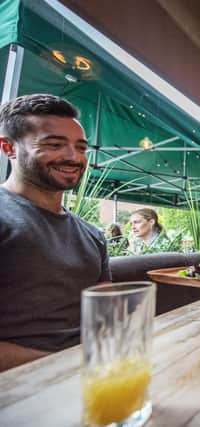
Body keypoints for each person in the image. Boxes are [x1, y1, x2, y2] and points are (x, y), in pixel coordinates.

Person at [0, 94, 111, 372]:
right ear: (8, 148)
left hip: (97, 378)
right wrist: (68, 366)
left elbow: (106, 319)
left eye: (81, 147)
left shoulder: (93, 235)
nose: (73, 157)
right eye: (54, 144)